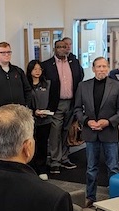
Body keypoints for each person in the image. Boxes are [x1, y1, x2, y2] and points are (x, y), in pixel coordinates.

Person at [74, 57, 119, 207]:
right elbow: (77, 109)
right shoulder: (83, 86)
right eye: (99, 66)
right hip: (90, 132)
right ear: (93, 68)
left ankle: (116, 199)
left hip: (109, 132)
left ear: (108, 67)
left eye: (104, 66)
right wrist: (86, 121)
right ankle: (90, 196)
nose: (102, 69)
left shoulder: (117, 86)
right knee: (91, 168)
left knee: (113, 168)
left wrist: (108, 122)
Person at [42, 39, 84, 174]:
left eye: (64, 47)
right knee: (55, 132)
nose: (62, 49)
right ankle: (55, 160)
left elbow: (80, 78)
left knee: (67, 131)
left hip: (71, 102)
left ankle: (65, 157)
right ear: (55, 49)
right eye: (59, 47)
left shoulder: (74, 63)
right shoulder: (47, 65)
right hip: (56, 104)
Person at [26, 59, 52, 180]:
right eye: (35, 69)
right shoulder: (25, 84)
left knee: (42, 145)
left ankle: (42, 168)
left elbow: (52, 99)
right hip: (30, 120)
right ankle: (31, 168)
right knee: (30, 144)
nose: (37, 71)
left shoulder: (47, 83)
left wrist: (46, 111)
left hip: (45, 120)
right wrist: (33, 111)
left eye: (39, 69)